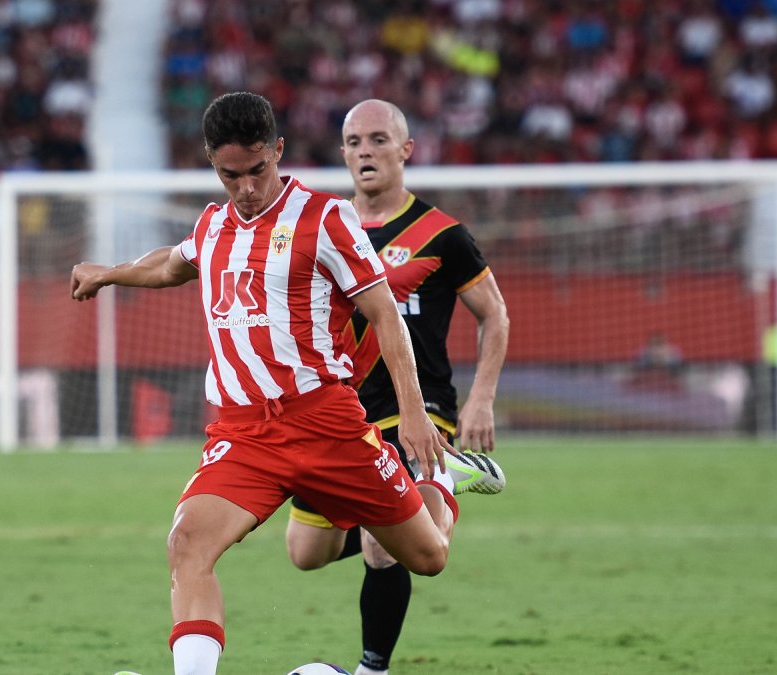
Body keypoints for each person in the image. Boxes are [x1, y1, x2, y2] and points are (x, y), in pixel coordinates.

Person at [71, 92, 466, 675]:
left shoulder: (325, 218)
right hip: (244, 434)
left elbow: (384, 313)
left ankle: (443, 479)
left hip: (326, 423)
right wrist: (108, 274)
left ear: (277, 150)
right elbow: (172, 263)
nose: (248, 187)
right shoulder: (212, 226)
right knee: (188, 544)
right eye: (231, 175)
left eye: (258, 169)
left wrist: (411, 413)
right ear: (213, 164)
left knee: (428, 557)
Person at [284, 99, 511, 675]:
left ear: (406, 150)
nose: (365, 151)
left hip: (416, 411)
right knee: (306, 553)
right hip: (340, 411)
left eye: (379, 139)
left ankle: (371, 669)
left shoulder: (442, 234)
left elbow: (495, 315)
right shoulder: (322, 229)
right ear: (342, 154)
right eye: (354, 141)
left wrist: (482, 398)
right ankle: (445, 479)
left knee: (385, 546)